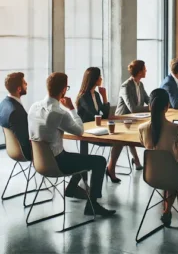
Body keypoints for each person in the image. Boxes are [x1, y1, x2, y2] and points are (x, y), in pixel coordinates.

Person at [28, 72, 116, 216]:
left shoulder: (33, 107)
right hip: (57, 163)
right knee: (99, 161)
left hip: (39, 162)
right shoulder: (59, 113)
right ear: (63, 90)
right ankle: (92, 205)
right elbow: (80, 131)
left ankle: (71, 188)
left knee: (80, 158)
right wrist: (72, 109)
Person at [138, 88, 178, 227]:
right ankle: (166, 211)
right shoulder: (174, 128)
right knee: (173, 172)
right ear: (167, 107)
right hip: (173, 175)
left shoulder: (142, 128)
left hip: (152, 175)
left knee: (166, 169)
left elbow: (146, 145)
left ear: (150, 106)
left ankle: (166, 211)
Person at [75, 67, 122, 183]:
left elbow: (104, 115)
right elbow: (95, 113)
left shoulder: (96, 94)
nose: (101, 78)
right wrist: (101, 114)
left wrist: (105, 97)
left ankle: (111, 168)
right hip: (87, 131)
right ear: (94, 79)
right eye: (99, 77)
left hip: (98, 129)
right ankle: (85, 176)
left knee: (120, 141)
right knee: (118, 141)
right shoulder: (83, 97)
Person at [109, 60, 147, 178]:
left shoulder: (140, 84)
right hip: (121, 119)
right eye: (144, 69)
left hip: (134, 119)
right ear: (140, 71)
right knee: (122, 139)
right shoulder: (126, 86)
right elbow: (133, 109)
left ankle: (136, 160)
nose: (146, 71)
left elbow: (148, 99)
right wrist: (150, 108)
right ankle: (111, 167)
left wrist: (155, 104)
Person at [0, 72, 31, 160]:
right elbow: (25, 140)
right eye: (24, 83)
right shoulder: (16, 111)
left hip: (11, 150)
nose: (26, 84)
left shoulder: (3, 104)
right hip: (24, 152)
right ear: (18, 89)